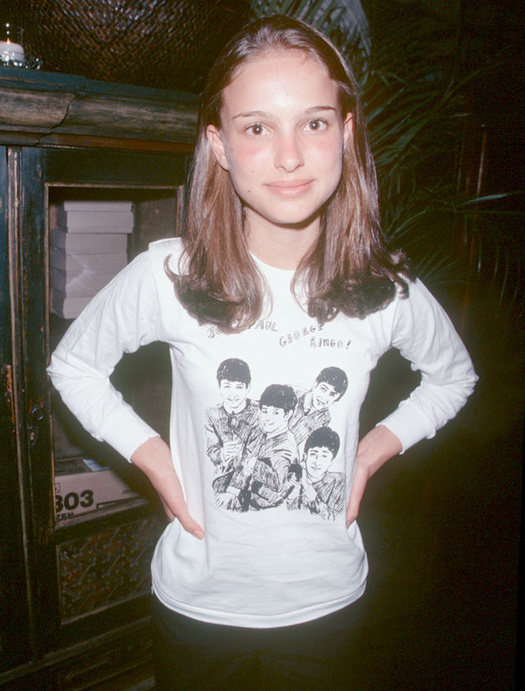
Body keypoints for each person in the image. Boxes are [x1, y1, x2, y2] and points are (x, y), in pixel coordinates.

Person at [47, 14, 478, 690]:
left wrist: (372, 450)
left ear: (346, 134)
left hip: (328, 608)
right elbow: (73, 365)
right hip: (197, 606)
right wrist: (150, 454)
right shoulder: (170, 276)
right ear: (218, 145)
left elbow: (453, 378)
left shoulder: (386, 288)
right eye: (256, 128)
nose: (289, 156)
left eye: (314, 123)